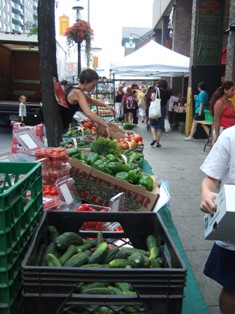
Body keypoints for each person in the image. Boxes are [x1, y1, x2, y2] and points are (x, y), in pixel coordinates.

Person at [200, 125, 235, 314]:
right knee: (232, 286)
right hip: (233, 231)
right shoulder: (230, 136)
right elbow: (210, 179)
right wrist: (206, 193)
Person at [62, 68, 116, 137]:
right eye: (93, 85)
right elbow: (89, 113)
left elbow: (91, 100)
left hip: (63, 125)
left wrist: (106, 106)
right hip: (62, 127)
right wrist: (105, 125)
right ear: (86, 82)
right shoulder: (78, 93)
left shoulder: (74, 89)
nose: (94, 88)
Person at [149, 80, 170, 147]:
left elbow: (152, 98)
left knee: (152, 123)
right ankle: (157, 142)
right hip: (163, 108)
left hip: (155, 108)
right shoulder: (167, 92)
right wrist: (166, 112)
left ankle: (154, 138)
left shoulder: (155, 90)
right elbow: (167, 104)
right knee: (160, 125)